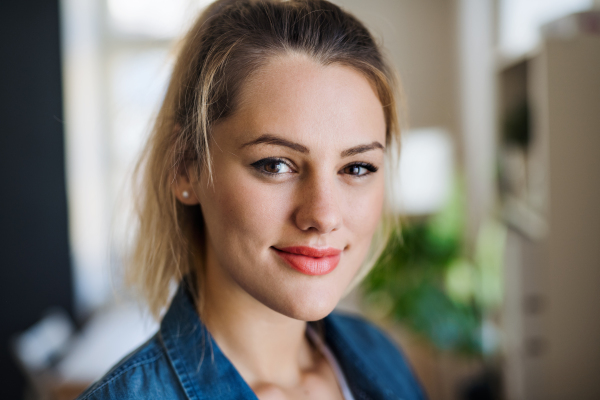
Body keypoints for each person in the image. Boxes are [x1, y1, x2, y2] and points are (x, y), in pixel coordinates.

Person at [78, 0, 425, 399]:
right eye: (276, 165)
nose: (324, 216)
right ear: (185, 167)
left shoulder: (383, 358)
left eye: (357, 168)